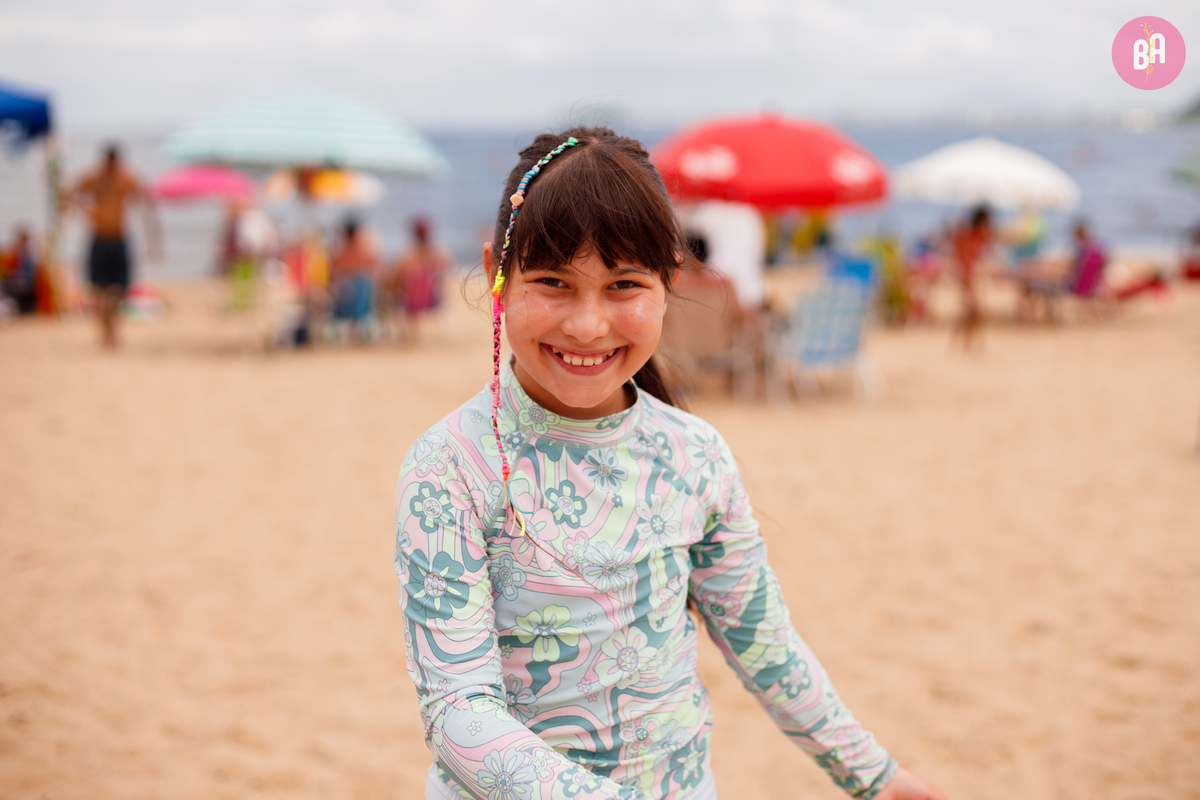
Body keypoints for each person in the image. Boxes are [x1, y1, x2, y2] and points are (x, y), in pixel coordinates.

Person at [395, 127, 946, 800]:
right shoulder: (449, 466)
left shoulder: (695, 453)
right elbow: (459, 712)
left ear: (669, 282)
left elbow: (762, 644)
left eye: (623, 284)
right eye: (553, 283)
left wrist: (875, 777)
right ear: (496, 274)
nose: (589, 325)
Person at [65, 144, 161, 348]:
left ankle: (111, 330)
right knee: (98, 289)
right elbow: (68, 196)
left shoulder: (125, 179)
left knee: (119, 289)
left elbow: (145, 206)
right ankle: (106, 332)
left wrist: (153, 240)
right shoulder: (92, 178)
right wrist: (84, 210)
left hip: (118, 239)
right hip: (99, 238)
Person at [391, 216, 450, 341]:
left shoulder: (408, 256)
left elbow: (398, 277)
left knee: (394, 295)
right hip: (431, 299)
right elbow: (444, 271)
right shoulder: (439, 254)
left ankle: (404, 333)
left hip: (412, 302)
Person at [949, 205, 992, 351]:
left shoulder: (977, 236)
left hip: (971, 277)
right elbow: (960, 256)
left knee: (972, 312)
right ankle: (967, 343)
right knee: (974, 312)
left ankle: (964, 342)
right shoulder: (968, 235)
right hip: (966, 277)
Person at [329, 217, 380, 342]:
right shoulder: (363, 253)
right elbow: (375, 265)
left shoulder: (340, 253)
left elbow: (331, 272)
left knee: (347, 287)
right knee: (364, 284)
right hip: (360, 302)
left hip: (344, 301)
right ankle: (360, 333)